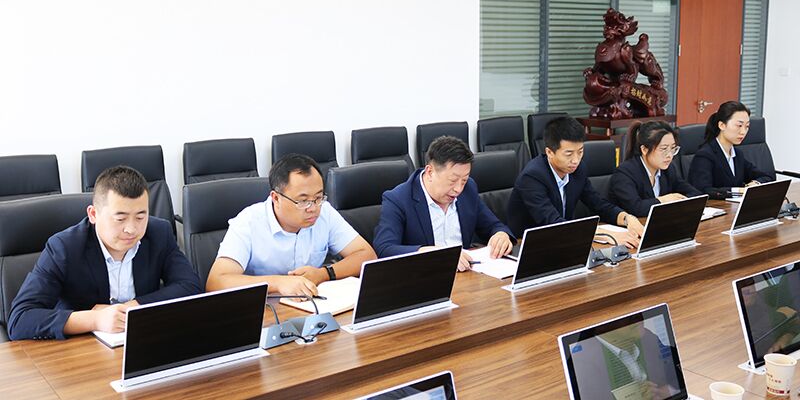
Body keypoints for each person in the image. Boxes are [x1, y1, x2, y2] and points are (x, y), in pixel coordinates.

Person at [8, 166, 202, 341]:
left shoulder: (159, 233)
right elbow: (20, 319)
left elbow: (190, 286)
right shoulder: (64, 247)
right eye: (120, 219)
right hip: (81, 350)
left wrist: (132, 308)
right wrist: (95, 319)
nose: (131, 229)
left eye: (140, 217)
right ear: (93, 214)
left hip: (142, 340)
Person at [206, 153, 376, 297]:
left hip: (311, 307)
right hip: (266, 311)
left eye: (318, 197)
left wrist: (324, 274)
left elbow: (366, 255)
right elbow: (216, 282)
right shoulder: (248, 222)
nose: (313, 208)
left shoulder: (325, 212)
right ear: (276, 198)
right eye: (303, 201)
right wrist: (278, 283)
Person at [372, 136, 515, 271]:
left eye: (464, 180)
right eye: (452, 181)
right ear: (430, 172)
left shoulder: (468, 189)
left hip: (467, 273)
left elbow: (493, 225)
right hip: (428, 276)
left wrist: (501, 235)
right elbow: (384, 248)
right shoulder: (398, 199)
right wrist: (432, 254)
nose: (458, 189)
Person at [507, 116, 644, 248]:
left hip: (564, 242)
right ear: (549, 152)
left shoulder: (578, 170)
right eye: (569, 154)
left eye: (580, 152)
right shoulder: (532, 177)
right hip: (527, 246)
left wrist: (627, 218)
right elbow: (553, 223)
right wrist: (606, 235)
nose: (576, 160)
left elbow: (598, 204)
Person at [609, 121, 701, 217]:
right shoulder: (624, 173)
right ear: (644, 149)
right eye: (664, 149)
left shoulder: (668, 169)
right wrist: (663, 200)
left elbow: (695, 194)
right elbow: (636, 208)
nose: (669, 155)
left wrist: (679, 201)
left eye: (673, 148)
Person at [688, 100, 772, 199]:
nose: (743, 132)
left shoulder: (737, 154)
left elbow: (767, 177)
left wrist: (756, 183)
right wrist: (737, 191)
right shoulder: (705, 155)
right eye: (739, 126)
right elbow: (702, 191)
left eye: (747, 126)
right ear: (722, 125)